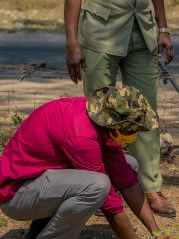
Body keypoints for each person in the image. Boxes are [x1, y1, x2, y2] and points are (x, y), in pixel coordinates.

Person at [63, 0, 175, 217]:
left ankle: (151, 187)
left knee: (145, 111)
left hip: (143, 33)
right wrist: (72, 44)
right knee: (99, 114)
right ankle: (101, 188)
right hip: (100, 35)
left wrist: (163, 28)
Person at [0, 86, 170, 239]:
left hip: (41, 182)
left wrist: (156, 232)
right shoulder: (81, 133)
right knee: (97, 186)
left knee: (129, 164)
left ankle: (38, 231)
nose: (133, 132)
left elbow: (124, 175)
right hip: (16, 195)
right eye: (130, 128)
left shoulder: (101, 117)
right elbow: (110, 203)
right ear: (115, 124)